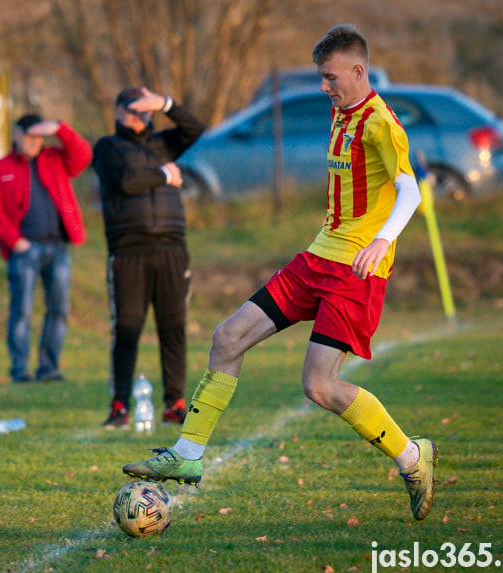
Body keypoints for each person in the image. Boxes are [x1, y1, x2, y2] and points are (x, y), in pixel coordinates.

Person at [123, 25, 438, 522]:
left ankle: (411, 456)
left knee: (320, 387)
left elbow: (410, 192)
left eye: (331, 77)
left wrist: (381, 241)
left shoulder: (381, 122)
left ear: (359, 71)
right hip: (315, 259)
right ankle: (186, 455)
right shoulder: (341, 112)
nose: (323, 87)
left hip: (355, 272)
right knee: (227, 338)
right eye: (321, 77)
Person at [92, 87, 205, 428]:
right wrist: (165, 175)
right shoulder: (107, 147)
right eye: (130, 110)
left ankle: (174, 404)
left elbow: (195, 130)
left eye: (143, 111)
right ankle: (119, 406)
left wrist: (167, 104)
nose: (137, 117)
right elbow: (125, 181)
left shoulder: (163, 143)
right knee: (127, 329)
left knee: (173, 328)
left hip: (171, 247)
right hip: (129, 251)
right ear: (117, 112)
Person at [0, 114, 92, 383]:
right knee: (22, 311)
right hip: (24, 250)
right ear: (16, 135)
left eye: (38, 136)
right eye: (28, 136)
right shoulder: (0, 169)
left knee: (59, 310)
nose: (33, 142)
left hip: (58, 247)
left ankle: (48, 368)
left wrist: (60, 129)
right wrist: (13, 239)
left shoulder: (56, 159)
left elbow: (83, 155)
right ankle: (19, 369)